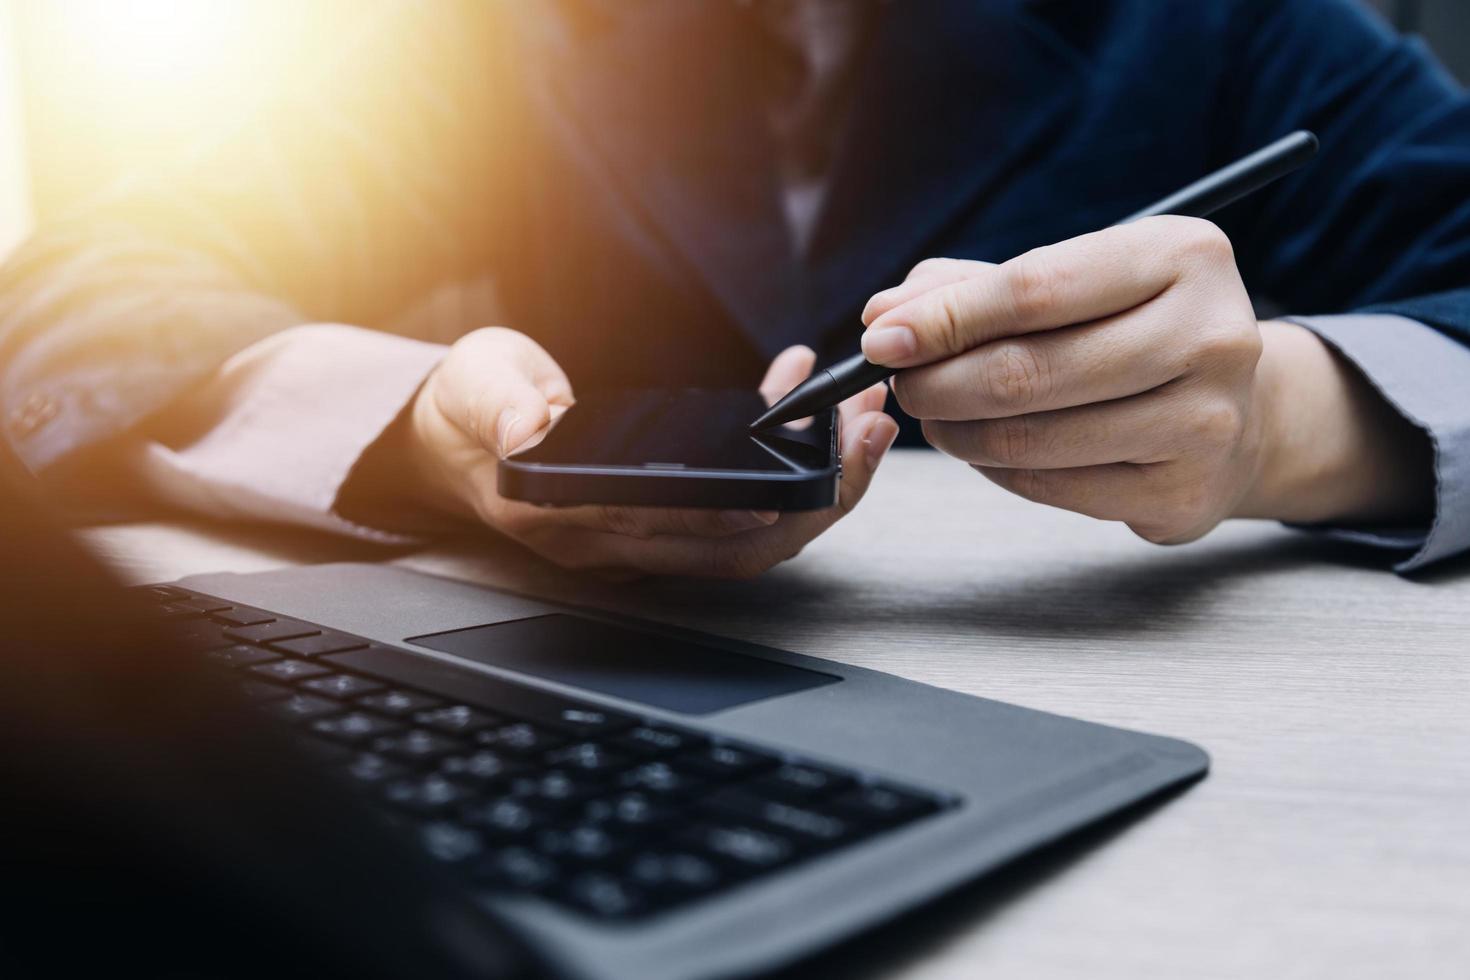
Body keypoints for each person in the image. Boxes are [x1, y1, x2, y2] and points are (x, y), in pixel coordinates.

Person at [3, 0, 1469, 577]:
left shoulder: (1223, 24)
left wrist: (1288, 423)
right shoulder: (490, 43)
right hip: (597, 698)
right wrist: (417, 425)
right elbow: (71, 297)